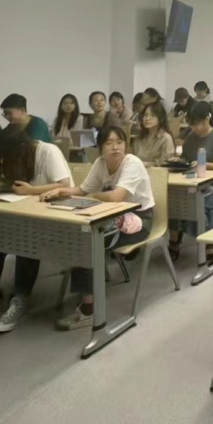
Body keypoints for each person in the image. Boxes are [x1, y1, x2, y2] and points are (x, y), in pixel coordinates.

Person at [0, 126, 73, 331]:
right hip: (25, 215)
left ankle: (20, 300)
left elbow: (66, 185)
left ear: (23, 147)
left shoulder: (47, 152)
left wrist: (31, 190)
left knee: (26, 239)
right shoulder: (16, 157)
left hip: (57, 217)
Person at [47, 125, 156, 330]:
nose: (115, 147)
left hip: (140, 220)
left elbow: (116, 197)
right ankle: (88, 290)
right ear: (100, 148)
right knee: (80, 237)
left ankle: (89, 310)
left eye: (120, 142)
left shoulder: (132, 163)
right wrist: (61, 191)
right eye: (109, 143)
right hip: (113, 216)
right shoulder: (100, 163)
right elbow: (82, 190)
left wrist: (90, 197)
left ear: (126, 145)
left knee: (88, 243)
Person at [180, 101, 213, 230]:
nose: (194, 128)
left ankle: (204, 236)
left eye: (197, 124)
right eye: (191, 125)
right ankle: (178, 238)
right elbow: (185, 158)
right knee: (176, 203)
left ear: (207, 119)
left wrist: (205, 165)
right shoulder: (191, 137)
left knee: (194, 205)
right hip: (194, 185)